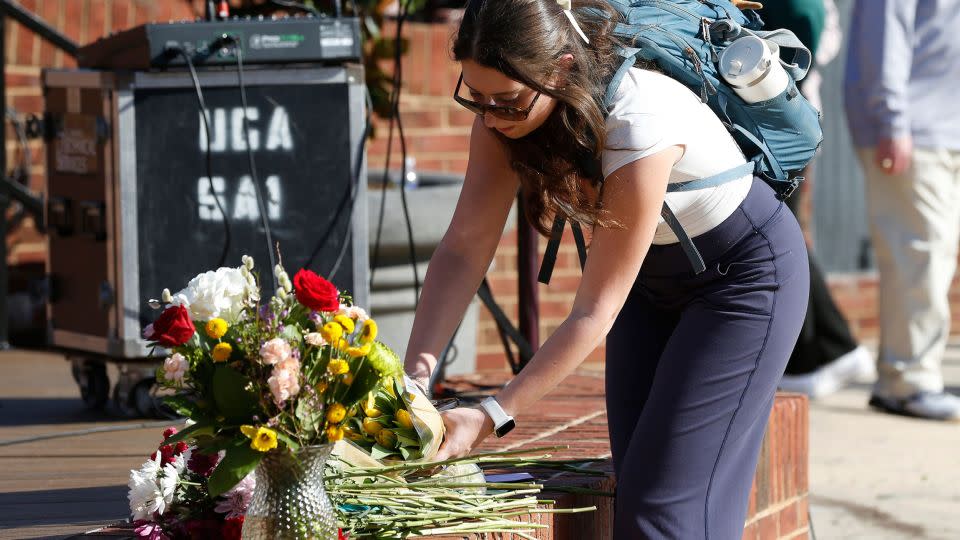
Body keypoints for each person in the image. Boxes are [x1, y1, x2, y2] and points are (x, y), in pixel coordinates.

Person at [402, 0, 809, 537]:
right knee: (637, 487)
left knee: (665, 512)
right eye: (475, 99)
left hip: (745, 280)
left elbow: (593, 312)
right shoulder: (500, 119)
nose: (493, 116)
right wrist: (414, 380)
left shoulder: (637, 122)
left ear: (563, 68)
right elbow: (463, 249)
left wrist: (492, 413)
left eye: (508, 101)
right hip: (649, 283)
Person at [845, 0, 960, 421]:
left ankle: (907, 377)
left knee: (935, 258)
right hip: (913, 131)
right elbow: (885, 39)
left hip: (948, 130)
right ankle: (908, 383)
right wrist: (892, 123)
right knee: (920, 256)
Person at [763, 0, 875, 398]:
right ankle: (833, 348)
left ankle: (813, 357)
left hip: (775, 121)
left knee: (774, 240)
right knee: (779, 237)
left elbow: (805, 21)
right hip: (780, 118)